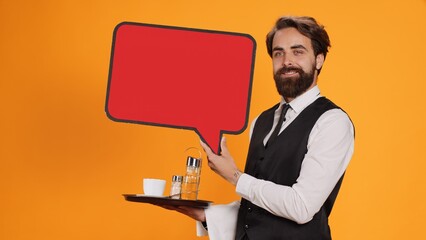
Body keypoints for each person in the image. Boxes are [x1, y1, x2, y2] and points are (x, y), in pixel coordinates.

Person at [161, 15, 355, 240]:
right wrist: (206, 215)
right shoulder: (261, 122)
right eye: (278, 53)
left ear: (319, 60)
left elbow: (301, 206)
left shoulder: (332, 122)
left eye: (298, 51)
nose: (286, 61)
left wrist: (234, 176)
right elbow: (256, 208)